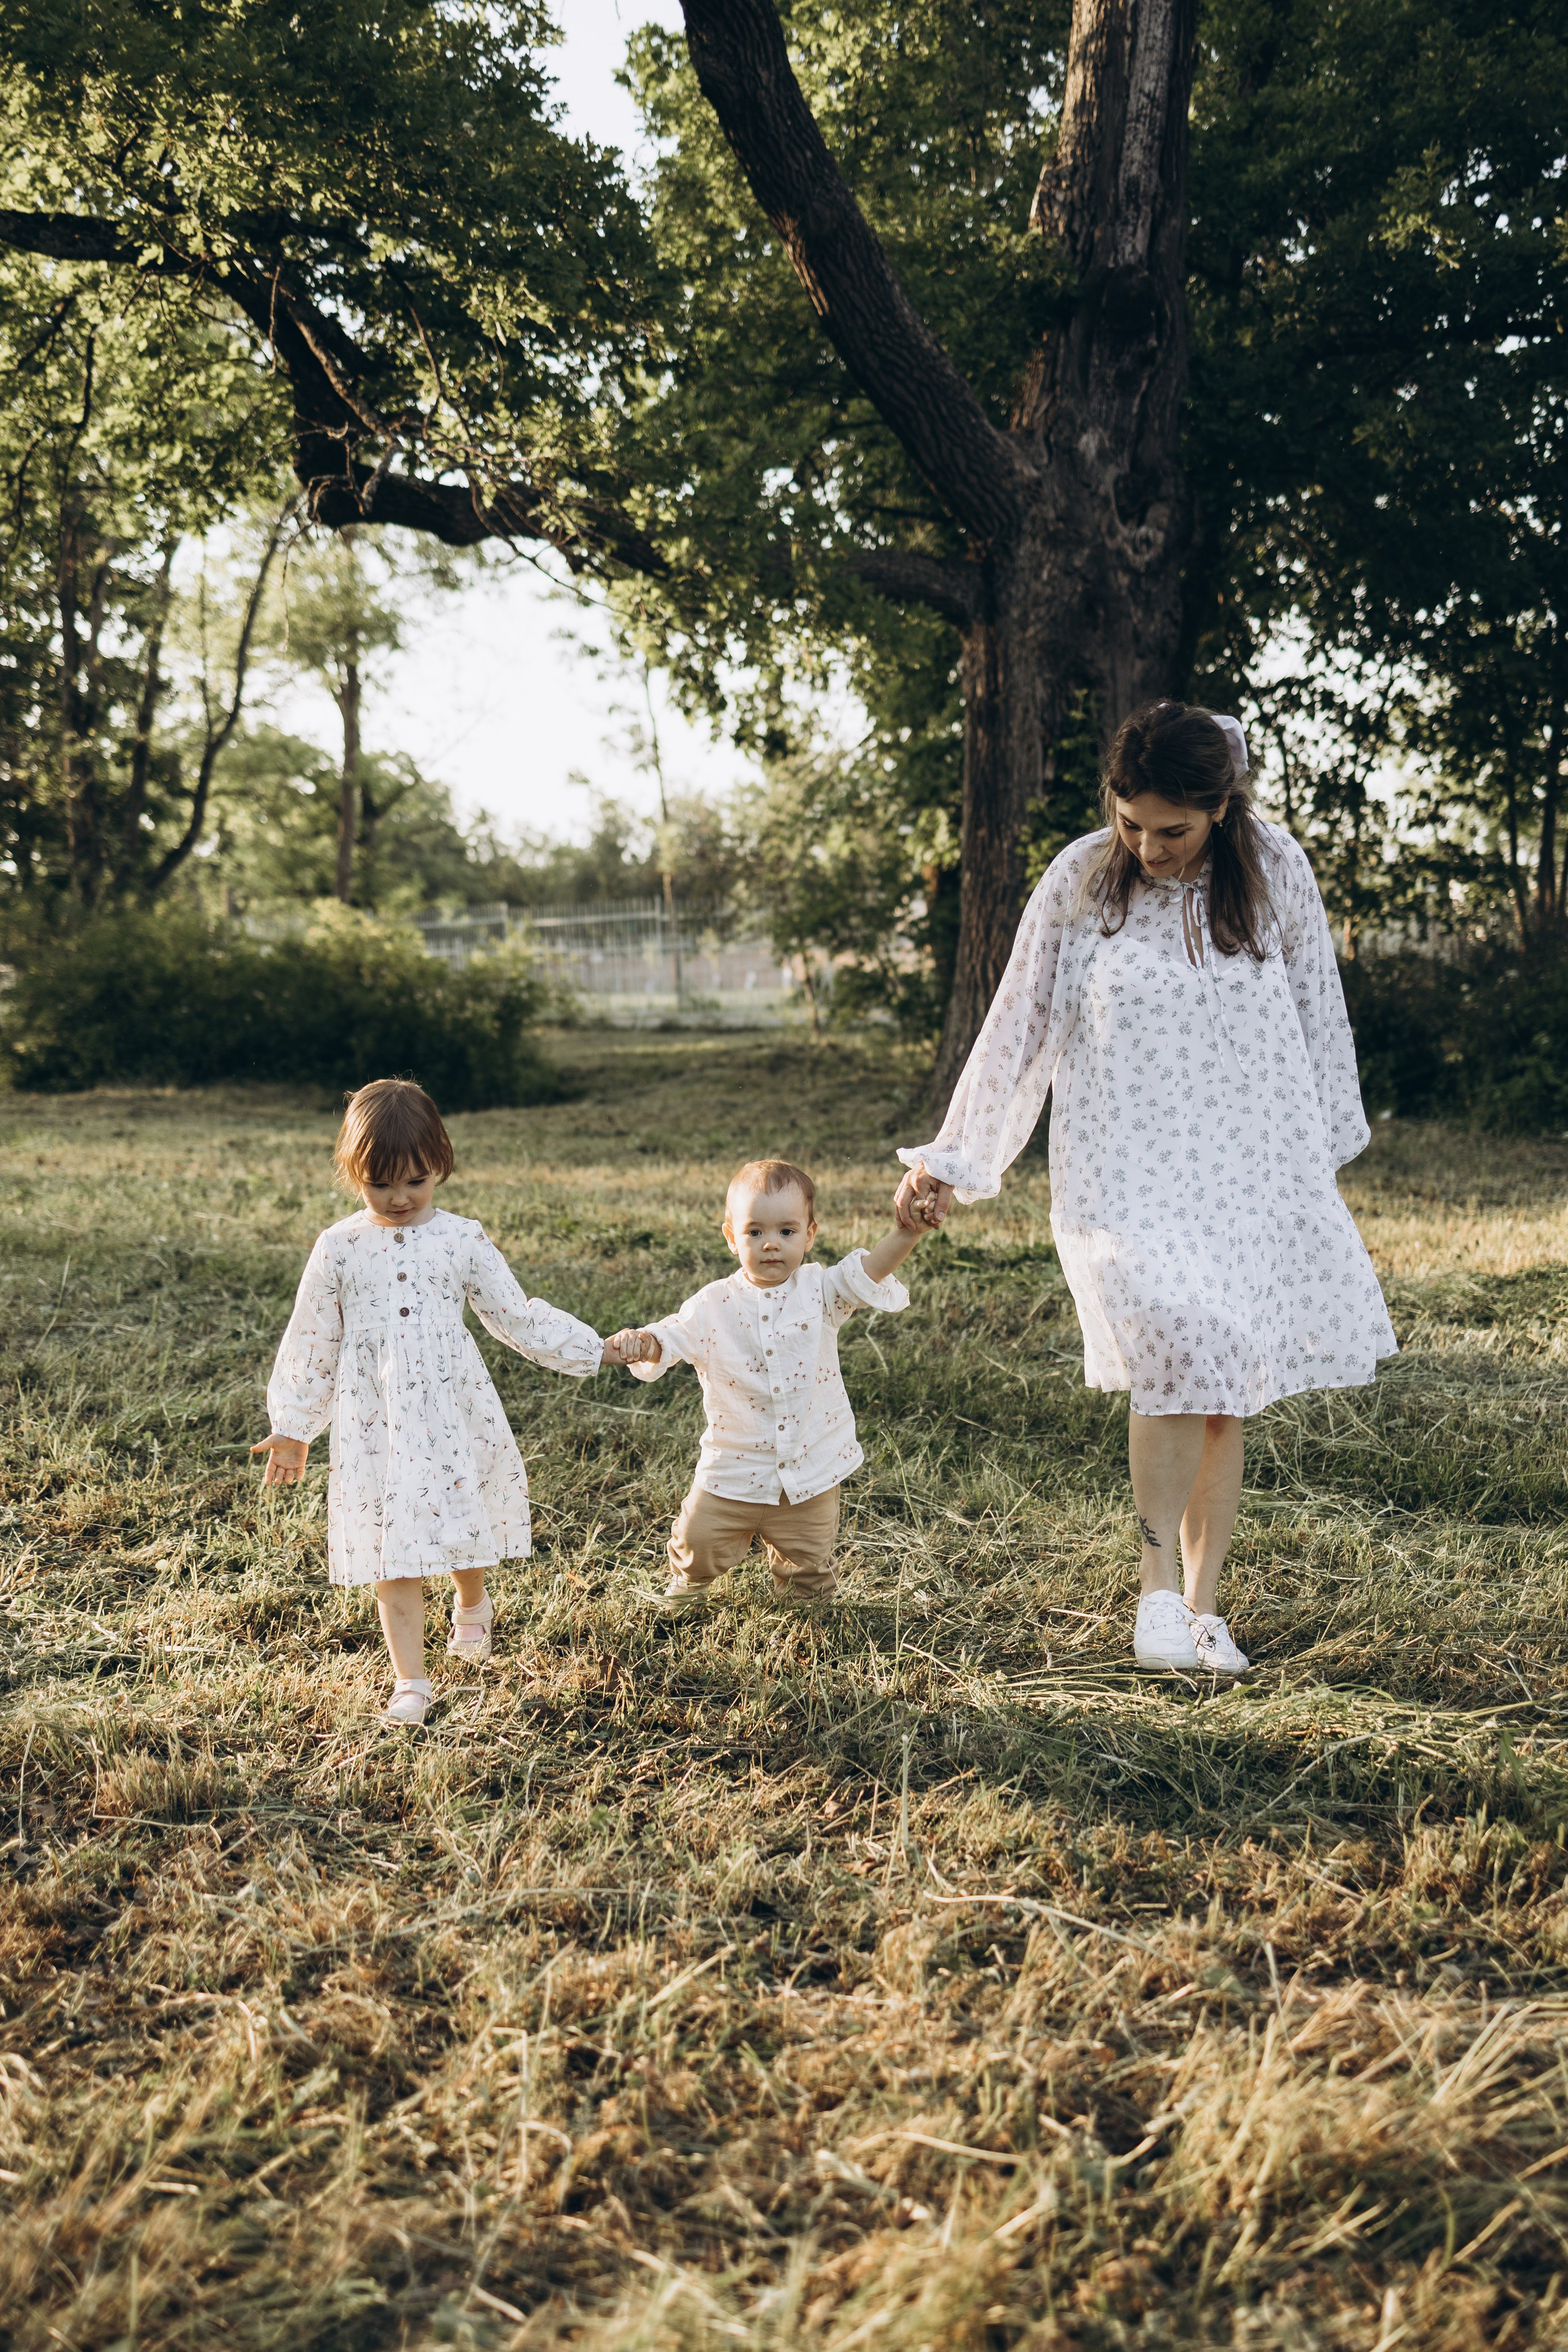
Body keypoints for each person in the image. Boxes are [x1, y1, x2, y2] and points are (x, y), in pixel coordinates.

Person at [894, 701, 1395, 1676]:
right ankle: (1156, 1592)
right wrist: (953, 1159)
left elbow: (1316, 1009)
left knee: (1223, 1385)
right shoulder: (1084, 878)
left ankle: (1205, 1611)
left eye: (1174, 830)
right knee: (1175, 1344)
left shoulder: (1274, 869)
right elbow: (1020, 1023)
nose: (1150, 847)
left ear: (1221, 809)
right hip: (1124, 1174)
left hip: (1247, 1174)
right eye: (1132, 823)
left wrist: (1319, 1164)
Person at [253, 1077, 639, 1725]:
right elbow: (312, 1339)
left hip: (452, 1411)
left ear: (441, 1163)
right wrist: (293, 1427)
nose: (400, 1198)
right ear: (352, 1173)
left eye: (416, 1180)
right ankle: (411, 1681)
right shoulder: (339, 1248)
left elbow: (515, 1315)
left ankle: (472, 1603)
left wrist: (594, 1349)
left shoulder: (462, 1239)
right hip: (375, 1422)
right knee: (390, 1547)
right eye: (380, 1184)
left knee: (462, 1518)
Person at [606, 1158, 924, 1609]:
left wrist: (908, 1233)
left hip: (808, 1465)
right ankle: (688, 1590)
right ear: (731, 1238)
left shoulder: (821, 1292)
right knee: (699, 1538)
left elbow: (869, 1271)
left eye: (787, 1232)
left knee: (809, 1555)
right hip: (734, 1467)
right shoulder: (713, 1304)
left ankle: (807, 1605)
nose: (771, 1244)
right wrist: (644, 1342)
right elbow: (671, 1336)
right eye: (755, 1232)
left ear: (809, 1235)